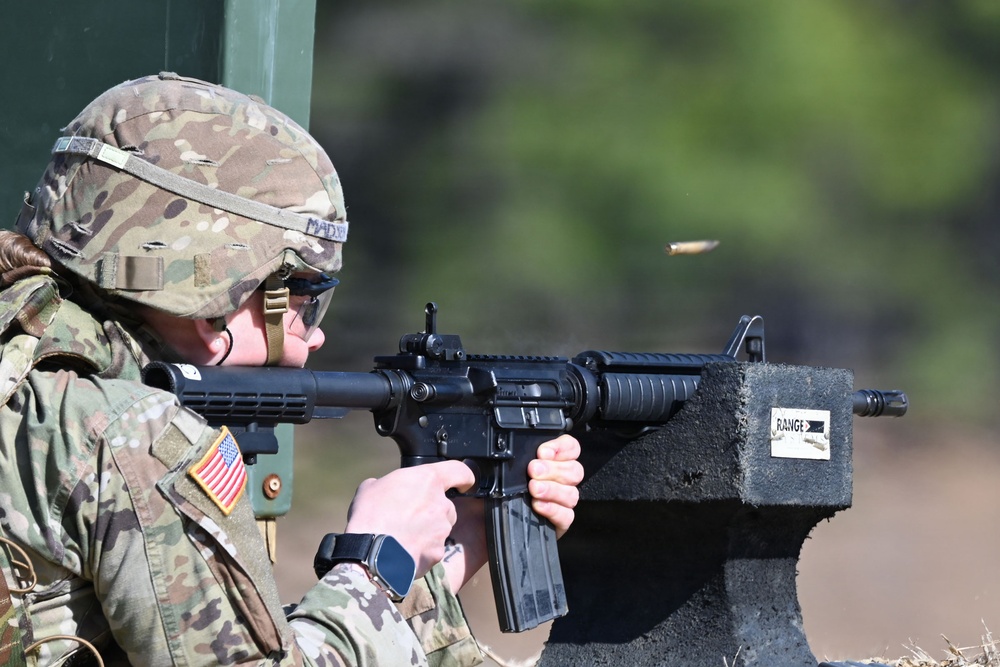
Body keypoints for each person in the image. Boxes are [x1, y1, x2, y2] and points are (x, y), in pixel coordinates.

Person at [0, 73, 583, 666]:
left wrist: (458, 546)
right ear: (216, 303)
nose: (316, 336)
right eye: (305, 299)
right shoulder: (133, 437)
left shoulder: (33, 387)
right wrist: (378, 562)